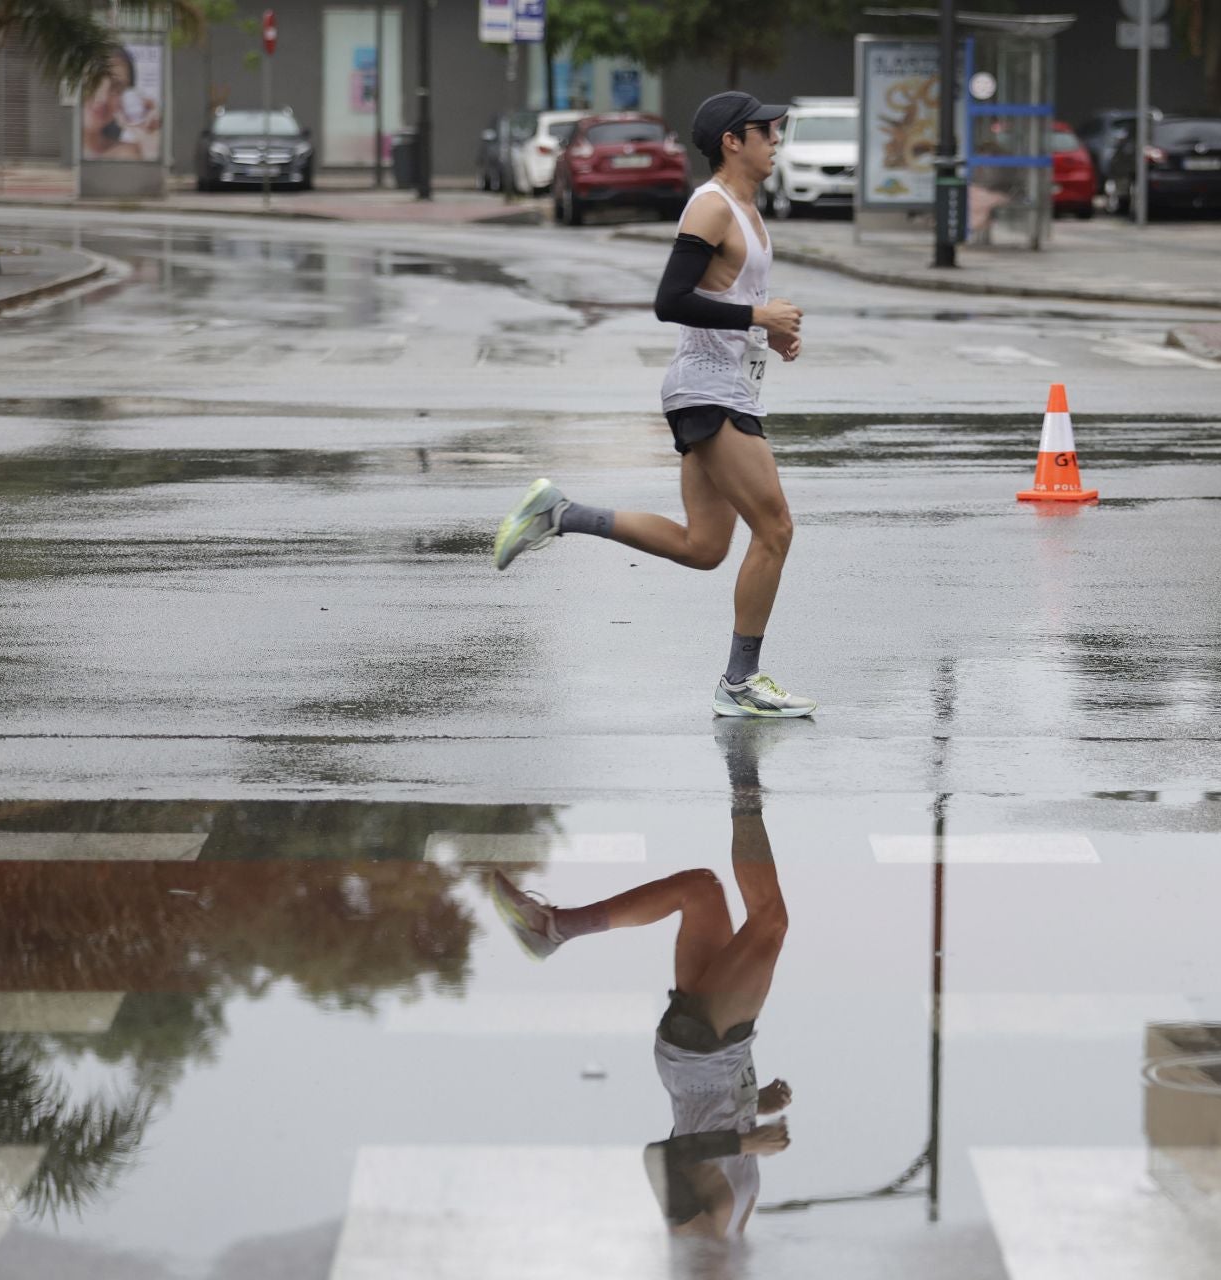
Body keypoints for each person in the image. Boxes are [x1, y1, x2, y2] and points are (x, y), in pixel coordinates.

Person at [491, 92, 815, 719]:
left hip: (726, 384)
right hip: (707, 389)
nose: (775, 138)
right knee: (775, 528)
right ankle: (740, 682)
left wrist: (766, 330)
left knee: (704, 547)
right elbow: (670, 299)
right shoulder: (713, 206)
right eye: (765, 130)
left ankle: (561, 514)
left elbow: (721, 295)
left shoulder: (746, 207)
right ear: (732, 140)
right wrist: (757, 314)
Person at [488, 721, 795, 1237]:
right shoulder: (732, 1236)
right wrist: (752, 1107)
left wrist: (745, 1142)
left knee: (771, 922)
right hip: (711, 1060)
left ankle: (746, 778)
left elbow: (663, 1157)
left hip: (704, 1052)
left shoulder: (695, 1248)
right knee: (699, 890)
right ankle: (555, 927)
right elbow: (704, 1132)